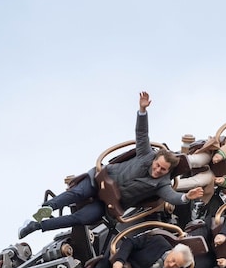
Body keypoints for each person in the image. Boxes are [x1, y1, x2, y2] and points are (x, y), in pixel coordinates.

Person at [19, 92, 203, 238]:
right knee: (76, 194)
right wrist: (142, 110)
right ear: (154, 159)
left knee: (82, 218)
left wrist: (187, 197)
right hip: (101, 182)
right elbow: (141, 132)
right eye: (157, 166)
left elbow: (173, 197)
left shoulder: (162, 184)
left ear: (168, 171)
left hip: (109, 203)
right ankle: (38, 215)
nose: (157, 170)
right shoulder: (146, 153)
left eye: (162, 169)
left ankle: (37, 226)